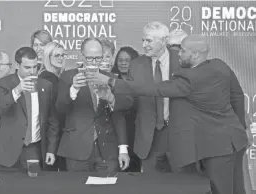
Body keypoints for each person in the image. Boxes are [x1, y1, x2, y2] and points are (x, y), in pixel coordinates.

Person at [103, 34, 249, 194]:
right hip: (234, 140)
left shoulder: (188, 78)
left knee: (220, 190)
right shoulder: (220, 65)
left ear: (195, 55)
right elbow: (237, 96)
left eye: (183, 51)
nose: (178, 54)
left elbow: (153, 89)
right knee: (237, 188)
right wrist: (240, 127)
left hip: (215, 148)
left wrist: (112, 82)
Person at [87, 21, 182, 173]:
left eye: (149, 40)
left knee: (184, 185)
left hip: (180, 135)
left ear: (164, 40)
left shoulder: (182, 59)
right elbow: (129, 98)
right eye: (143, 40)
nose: (144, 45)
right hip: (149, 139)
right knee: (152, 186)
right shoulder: (136, 65)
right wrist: (112, 99)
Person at [56, 37, 131, 172]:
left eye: (98, 58)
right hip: (77, 148)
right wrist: (73, 90)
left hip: (107, 150)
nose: (94, 63)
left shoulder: (110, 78)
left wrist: (123, 148)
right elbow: (60, 110)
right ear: (81, 56)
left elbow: (118, 116)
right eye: (90, 58)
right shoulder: (67, 77)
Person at [0, 47, 60, 171]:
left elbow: (52, 121)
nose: (32, 71)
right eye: (27, 67)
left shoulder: (46, 86)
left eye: (35, 67)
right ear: (17, 65)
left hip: (34, 150)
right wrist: (17, 90)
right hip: (9, 152)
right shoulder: (3, 83)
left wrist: (51, 150)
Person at [111, 46, 141, 172]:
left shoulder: (142, 82)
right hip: (117, 135)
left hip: (139, 135)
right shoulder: (110, 80)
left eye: (127, 60)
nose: (123, 63)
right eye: (120, 60)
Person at [39, 41, 67, 171]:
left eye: (62, 55)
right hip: (52, 135)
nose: (61, 58)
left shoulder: (59, 77)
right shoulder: (47, 79)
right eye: (57, 56)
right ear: (47, 58)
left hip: (58, 134)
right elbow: (51, 112)